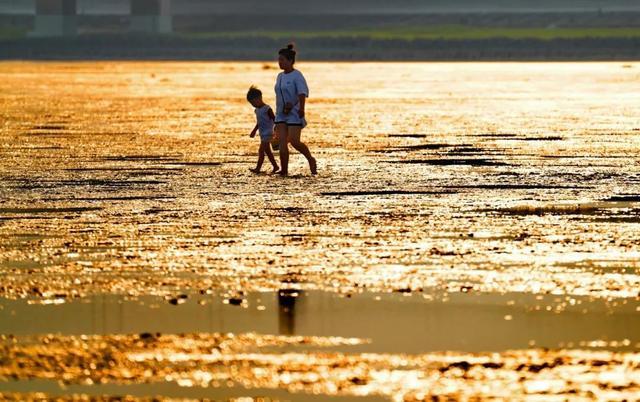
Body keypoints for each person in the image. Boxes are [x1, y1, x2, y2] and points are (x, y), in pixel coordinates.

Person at [274, 44, 317, 177]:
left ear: (290, 61)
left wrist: (301, 108)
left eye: (282, 60)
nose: (280, 62)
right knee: (281, 142)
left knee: (294, 141)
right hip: (281, 113)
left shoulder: (297, 75)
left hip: (294, 112)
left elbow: (302, 93)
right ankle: (284, 170)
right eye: (279, 59)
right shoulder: (280, 76)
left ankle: (310, 158)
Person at [247, 86, 279, 174]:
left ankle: (258, 168)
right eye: (251, 104)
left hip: (269, 133)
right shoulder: (257, 110)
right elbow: (259, 122)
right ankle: (275, 166)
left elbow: (274, 119)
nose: (253, 105)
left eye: (253, 102)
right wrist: (254, 130)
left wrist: (276, 128)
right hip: (262, 133)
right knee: (267, 151)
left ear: (259, 98)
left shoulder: (267, 109)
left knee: (261, 151)